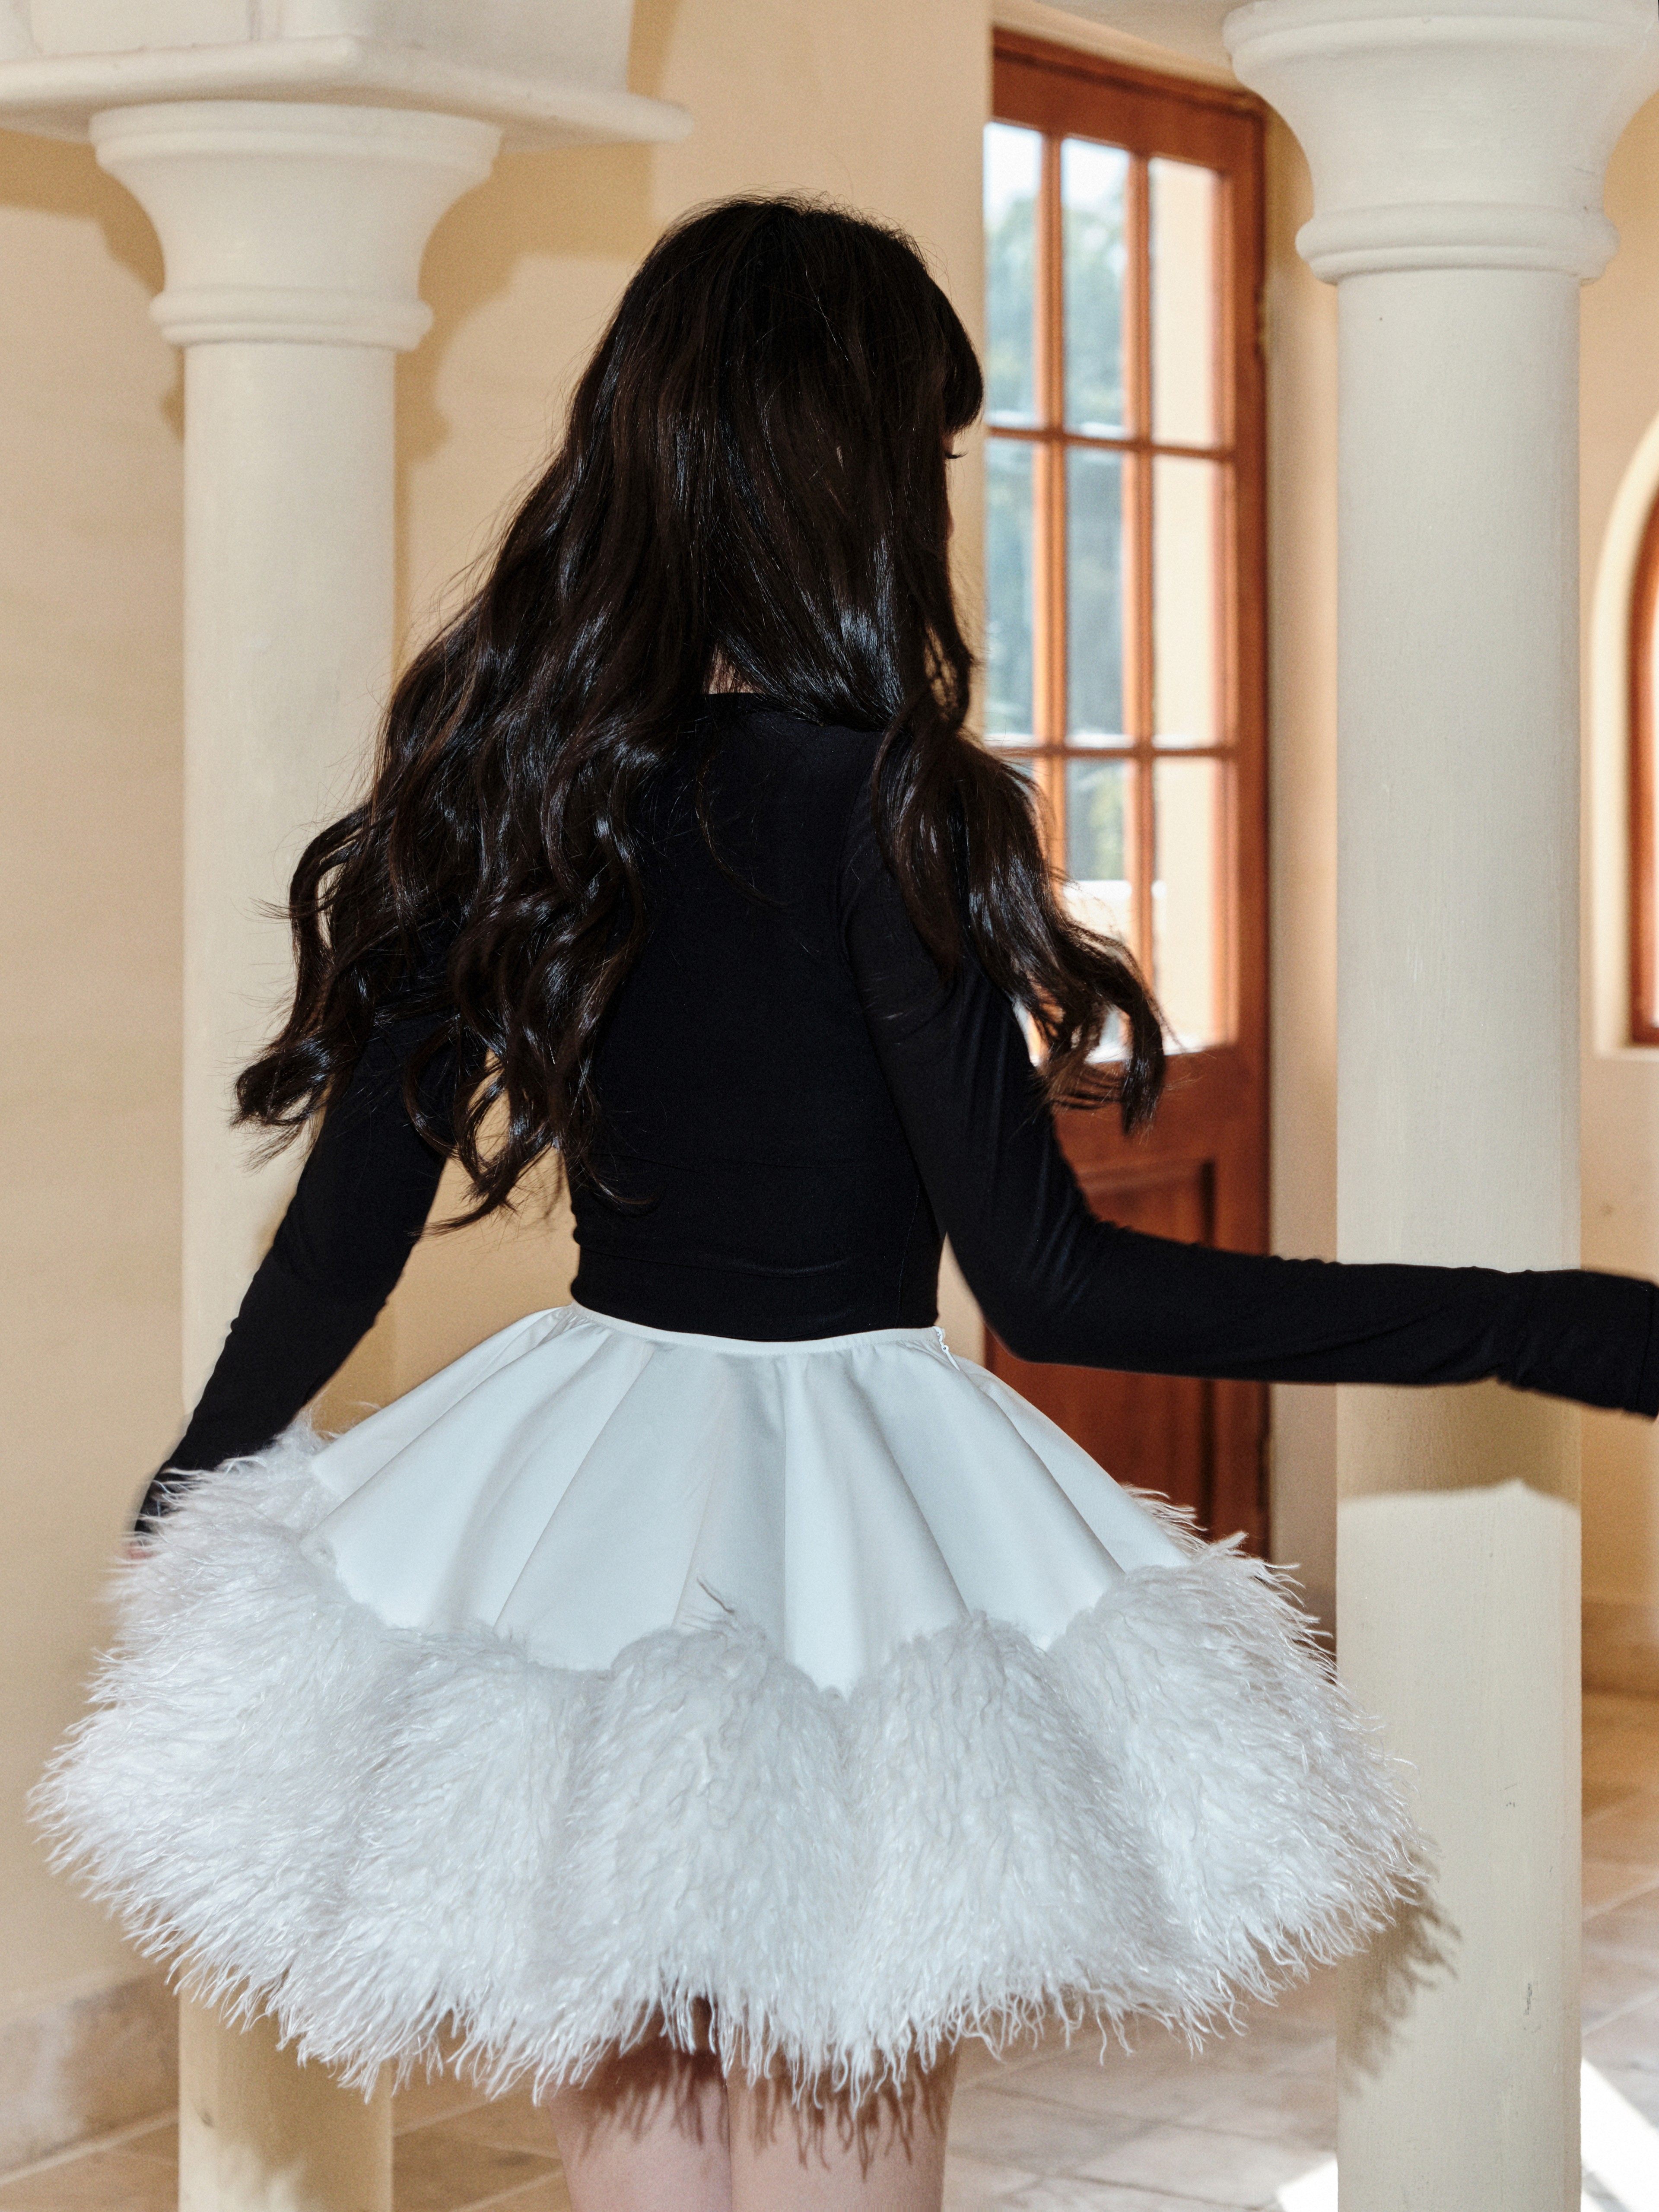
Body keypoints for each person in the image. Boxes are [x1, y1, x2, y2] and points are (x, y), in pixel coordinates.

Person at [38, 197, 1657, 2212]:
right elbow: (1054, 1284)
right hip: (855, 1544)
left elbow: (342, 1233)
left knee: (654, 2144)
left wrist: (194, 1485)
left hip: (588, 1516)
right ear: (845, 476)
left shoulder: (519, 782)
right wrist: (1530, 1316)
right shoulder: (888, 802)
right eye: (926, 454)